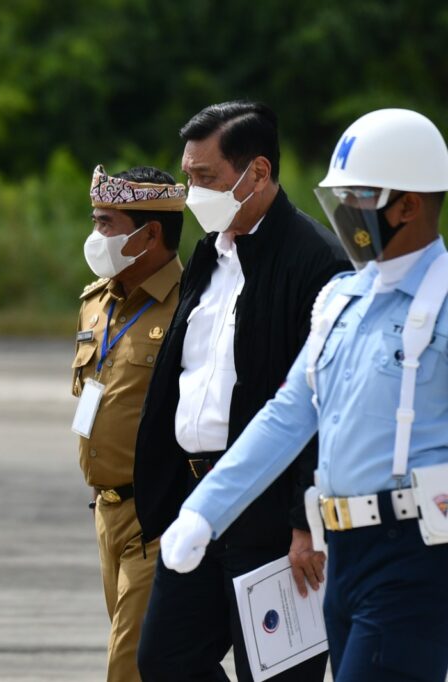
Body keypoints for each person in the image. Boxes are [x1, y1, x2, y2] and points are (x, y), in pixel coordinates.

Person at [160, 108, 448, 681]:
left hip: (416, 551)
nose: (344, 215)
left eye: (359, 198)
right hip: (344, 553)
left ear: (409, 205)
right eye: (339, 197)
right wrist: (203, 510)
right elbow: (287, 417)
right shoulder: (342, 298)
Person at [132, 101, 350, 682]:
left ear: (257, 172)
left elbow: (319, 404)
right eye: (188, 175)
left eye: (206, 179)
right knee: (165, 661)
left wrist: (308, 519)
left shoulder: (320, 265)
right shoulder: (211, 252)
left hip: (275, 519)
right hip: (199, 502)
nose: (191, 191)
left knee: (279, 674)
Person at [71, 165, 185, 681]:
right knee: (157, 663)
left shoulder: (191, 305)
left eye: (106, 223)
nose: (96, 236)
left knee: (130, 665)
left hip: (158, 514)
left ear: (150, 234)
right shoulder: (97, 303)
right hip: (106, 511)